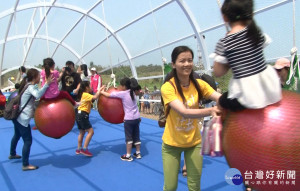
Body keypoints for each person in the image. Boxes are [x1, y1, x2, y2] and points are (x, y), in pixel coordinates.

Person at [161, 46, 221, 191]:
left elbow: (218, 97)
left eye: (190, 60)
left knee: (194, 185)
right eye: (182, 61)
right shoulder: (168, 88)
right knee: (170, 187)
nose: (187, 64)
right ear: (174, 64)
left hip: (194, 142)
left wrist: (231, 101)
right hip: (171, 145)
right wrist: (212, 110)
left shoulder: (199, 84)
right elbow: (184, 112)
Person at [211, 0, 281, 112]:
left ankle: (222, 126)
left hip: (246, 95)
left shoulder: (225, 42)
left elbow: (218, 72)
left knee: (221, 101)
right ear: (251, 14)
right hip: (268, 88)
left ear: (225, 17)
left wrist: (229, 61)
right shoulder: (256, 33)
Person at [9, 68, 52, 171]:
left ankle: (12, 154)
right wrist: (46, 84)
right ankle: (25, 164)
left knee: (17, 135)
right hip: (22, 119)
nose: (39, 78)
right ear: (34, 77)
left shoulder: (27, 84)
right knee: (28, 141)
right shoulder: (31, 87)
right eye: (38, 76)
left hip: (17, 116)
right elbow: (37, 95)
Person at [100, 77, 142, 162]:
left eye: (120, 85)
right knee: (136, 136)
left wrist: (101, 92)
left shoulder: (122, 94)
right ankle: (138, 153)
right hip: (137, 118)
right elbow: (140, 92)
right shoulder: (133, 92)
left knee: (129, 137)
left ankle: (128, 155)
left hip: (129, 119)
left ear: (123, 86)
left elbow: (109, 95)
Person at [75, 81, 104, 157]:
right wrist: (99, 91)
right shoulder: (86, 94)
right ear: (86, 87)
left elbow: (93, 98)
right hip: (83, 115)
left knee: (82, 132)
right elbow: (95, 97)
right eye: (90, 86)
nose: (91, 87)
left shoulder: (83, 95)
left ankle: (79, 149)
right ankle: (84, 149)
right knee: (91, 132)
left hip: (78, 114)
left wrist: (99, 90)